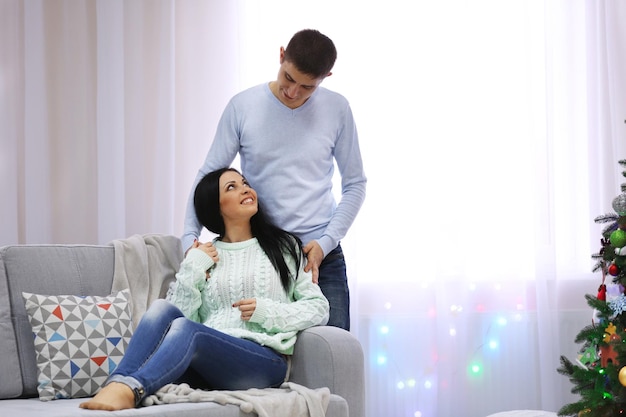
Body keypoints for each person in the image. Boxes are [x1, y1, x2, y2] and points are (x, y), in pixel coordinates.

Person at [79, 168, 329, 411]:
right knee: (161, 308)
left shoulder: (284, 248)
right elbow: (182, 319)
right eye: (232, 187)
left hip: (263, 361)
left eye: (244, 183)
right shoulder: (204, 255)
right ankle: (117, 383)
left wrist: (266, 312)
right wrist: (193, 268)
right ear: (216, 206)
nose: (245, 189)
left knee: (192, 332)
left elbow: (318, 308)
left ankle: (133, 389)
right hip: (209, 363)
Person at [182, 29, 366, 331]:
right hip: (264, 255)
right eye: (289, 78)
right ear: (281, 56)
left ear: (326, 77)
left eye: (307, 87)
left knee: (333, 356)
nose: (293, 92)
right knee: (266, 349)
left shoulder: (337, 109)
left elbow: (356, 184)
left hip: (319, 256)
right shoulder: (243, 107)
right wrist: (189, 239)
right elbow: (209, 174)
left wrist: (325, 243)